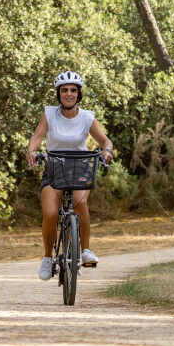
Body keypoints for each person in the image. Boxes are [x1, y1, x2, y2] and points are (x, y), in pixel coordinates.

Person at [25, 70, 114, 281]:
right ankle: (47, 258)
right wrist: (31, 151)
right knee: (50, 213)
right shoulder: (49, 114)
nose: (69, 94)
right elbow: (36, 138)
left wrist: (107, 151)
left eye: (73, 90)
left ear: (78, 94)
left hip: (80, 167)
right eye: (64, 90)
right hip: (54, 167)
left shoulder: (87, 117)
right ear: (58, 94)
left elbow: (105, 141)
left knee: (79, 203)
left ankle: (85, 251)